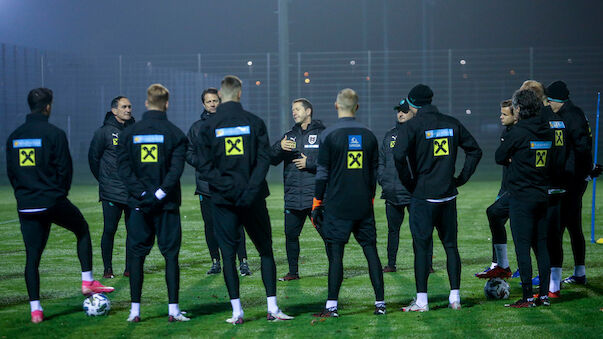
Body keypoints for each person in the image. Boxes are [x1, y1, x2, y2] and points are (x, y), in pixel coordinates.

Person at [6, 88, 114, 324]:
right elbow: (65, 170)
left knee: (32, 257)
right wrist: (59, 195)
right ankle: (87, 282)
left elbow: (11, 172)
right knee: (82, 229)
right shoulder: (54, 133)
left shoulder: (14, 136)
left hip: (27, 205)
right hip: (51, 201)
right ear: (48, 107)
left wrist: (24, 196)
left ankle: (36, 310)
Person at [196, 75, 293, 324]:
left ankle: (237, 312)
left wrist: (225, 186)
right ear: (239, 93)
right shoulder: (254, 121)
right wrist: (249, 189)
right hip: (253, 197)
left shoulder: (207, 126)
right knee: (265, 250)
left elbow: (203, 166)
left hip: (222, 200)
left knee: (228, 254)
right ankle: (272, 308)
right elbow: (263, 161)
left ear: (221, 94)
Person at [394, 84, 482, 312]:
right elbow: (475, 150)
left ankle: (422, 301)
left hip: (423, 197)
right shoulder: (451, 122)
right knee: (451, 247)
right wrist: (461, 178)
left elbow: (397, 155)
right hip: (447, 196)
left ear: (412, 104)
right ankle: (455, 298)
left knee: (421, 248)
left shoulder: (412, 125)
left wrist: (409, 183)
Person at [311, 88, 386, 317]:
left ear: (336, 106)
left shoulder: (329, 135)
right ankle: (380, 304)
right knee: (371, 252)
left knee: (336, 257)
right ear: (357, 107)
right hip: (363, 205)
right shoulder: (370, 135)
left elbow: (322, 173)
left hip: (337, 205)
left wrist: (316, 203)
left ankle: (332, 307)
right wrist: (370, 197)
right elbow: (375, 172)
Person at [117, 84, 189, 322]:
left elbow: (124, 168)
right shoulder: (176, 133)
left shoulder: (128, 133)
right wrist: (158, 194)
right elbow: (175, 170)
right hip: (166, 205)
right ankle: (173, 310)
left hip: (139, 205)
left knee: (137, 257)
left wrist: (141, 195)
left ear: (146, 103)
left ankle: (135, 311)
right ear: (167, 104)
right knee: (170, 256)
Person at [495, 89, 557, 308]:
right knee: (541, 246)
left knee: (522, 246)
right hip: (542, 194)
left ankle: (527, 297)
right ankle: (543, 296)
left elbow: (499, 156)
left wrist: (515, 158)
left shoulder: (518, 131)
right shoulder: (546, 130)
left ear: (519, 108)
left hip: (521, 196)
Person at [185, 88, 251, 276]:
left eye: (216, 100)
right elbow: (188, 151)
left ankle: (243, 262)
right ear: (204, 104)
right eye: (209, 101)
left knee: (236, 224)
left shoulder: (232, 123)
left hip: (231, 184)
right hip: (207, 186)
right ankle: (216, 262)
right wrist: (202, 163)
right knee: (211, 225)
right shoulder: (196, 128)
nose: (213, 104)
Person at [545, 81, 599, 288]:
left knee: (558, 227)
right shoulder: (571, 112)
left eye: (550, 100)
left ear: (557, 100)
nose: (548, 104)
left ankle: (553, 280)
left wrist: (585, 172)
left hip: (572, 179)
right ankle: (579, 273)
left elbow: (582, 147)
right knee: (573, 226)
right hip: (573, 177)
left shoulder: (571, 115)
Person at [270, 97, 325, 281]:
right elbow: (271, 158)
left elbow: (331, 162)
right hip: (293, 196)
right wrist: (279, 147)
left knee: (328, 235)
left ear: (308, 111)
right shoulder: (290, 135)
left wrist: (309, 163)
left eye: (297, 109)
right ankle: (293, 272)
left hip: (314, 196)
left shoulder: (322, 134)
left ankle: (335, 267)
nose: (294, 112)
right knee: (291, 235)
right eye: (293, 110)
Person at [379, 99, 434, 273]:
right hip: (392, 192)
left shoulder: (421, 133)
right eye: (399, 111)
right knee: (392, 230)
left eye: (404, 111)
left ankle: (427, 264)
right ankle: (391, 264)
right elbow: (381, 161)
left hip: (413, 193)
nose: (400, 114)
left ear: (413, 113)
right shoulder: (389, 135)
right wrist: (383, 179)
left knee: (421, 230)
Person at [88, 96, 135, 278]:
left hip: (132, 191)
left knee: (133, 231)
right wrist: (104, 180)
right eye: (124, 107)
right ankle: (108, 269)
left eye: (130, 106)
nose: (128, 110)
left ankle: (129, 268)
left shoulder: (134, 130)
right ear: (114, 110)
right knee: (109, 230)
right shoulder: (104, 132)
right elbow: (93, 158)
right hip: (111, 191)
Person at [475, 99, 516, 279]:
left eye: (505, 114)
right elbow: (502, 157)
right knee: (495, 219)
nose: (500, 117)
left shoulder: (519, 133)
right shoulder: (505, 131)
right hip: (505, 187)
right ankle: (498, 264)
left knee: (519, 228)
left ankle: (505, 266)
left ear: (516, 115)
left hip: (517, 189)